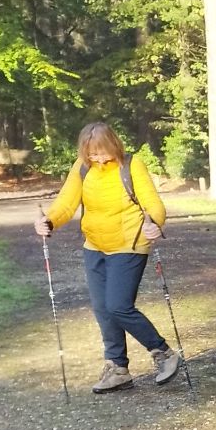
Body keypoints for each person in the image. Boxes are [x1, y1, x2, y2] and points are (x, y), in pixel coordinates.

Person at [36, 123, 180, 393]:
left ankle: (163, 352)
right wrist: (49, 221)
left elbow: (153, 204)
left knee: (118, 306)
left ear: (115, 145)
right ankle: (118, 369)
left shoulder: (132, 165)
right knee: (103, 309)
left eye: (103, 153)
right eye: (92, 154)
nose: (99, 159)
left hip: (129, 244)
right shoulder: (82, 167)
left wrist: (155, 223)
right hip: (94, 246)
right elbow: (66, 203)